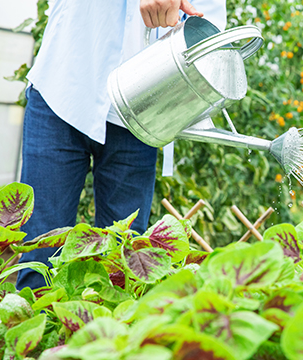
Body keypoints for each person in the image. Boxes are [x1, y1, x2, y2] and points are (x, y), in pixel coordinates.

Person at [16, 0, 226, 290]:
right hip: (64, 84)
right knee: (37, 260)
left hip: (141, 111)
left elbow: (211, 34)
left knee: (122, 273)